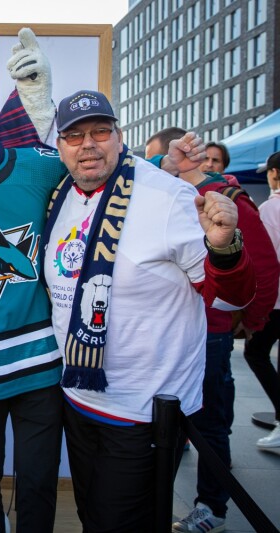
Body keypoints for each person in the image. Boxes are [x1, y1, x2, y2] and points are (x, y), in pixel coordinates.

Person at [0, 72, 200, 533]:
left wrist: (163, 164)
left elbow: (102, 165)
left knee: (38, 483)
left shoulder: (40, 166)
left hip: (42, 363)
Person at [42, 90, 255, 532]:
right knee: (91, 516)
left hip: (145, 409)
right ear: (59, 146)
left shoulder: (168, 196)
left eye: (100, 131)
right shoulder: (60, 193)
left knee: (120, 524)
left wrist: (225, 247)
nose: (88, 144)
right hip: (79, 398)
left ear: (119, 136)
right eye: (74, 135)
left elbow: (231, 298)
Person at [146, 127, 279, 532]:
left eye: (162, 161)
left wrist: (251, 323)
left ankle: (212, 507)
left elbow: (265, 265)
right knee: (163, 423)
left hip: (210, 332)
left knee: (209, 423)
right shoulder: (155, 197)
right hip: (164, 331)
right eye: (155, 162)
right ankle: (151, 506)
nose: (155, 169)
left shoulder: (224, 199)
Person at [245, 151, 280, 449]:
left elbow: (266, 261)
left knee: (255, 353)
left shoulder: (271, 209)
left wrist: (254, 313)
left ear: (274, 173)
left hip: (276, 302)